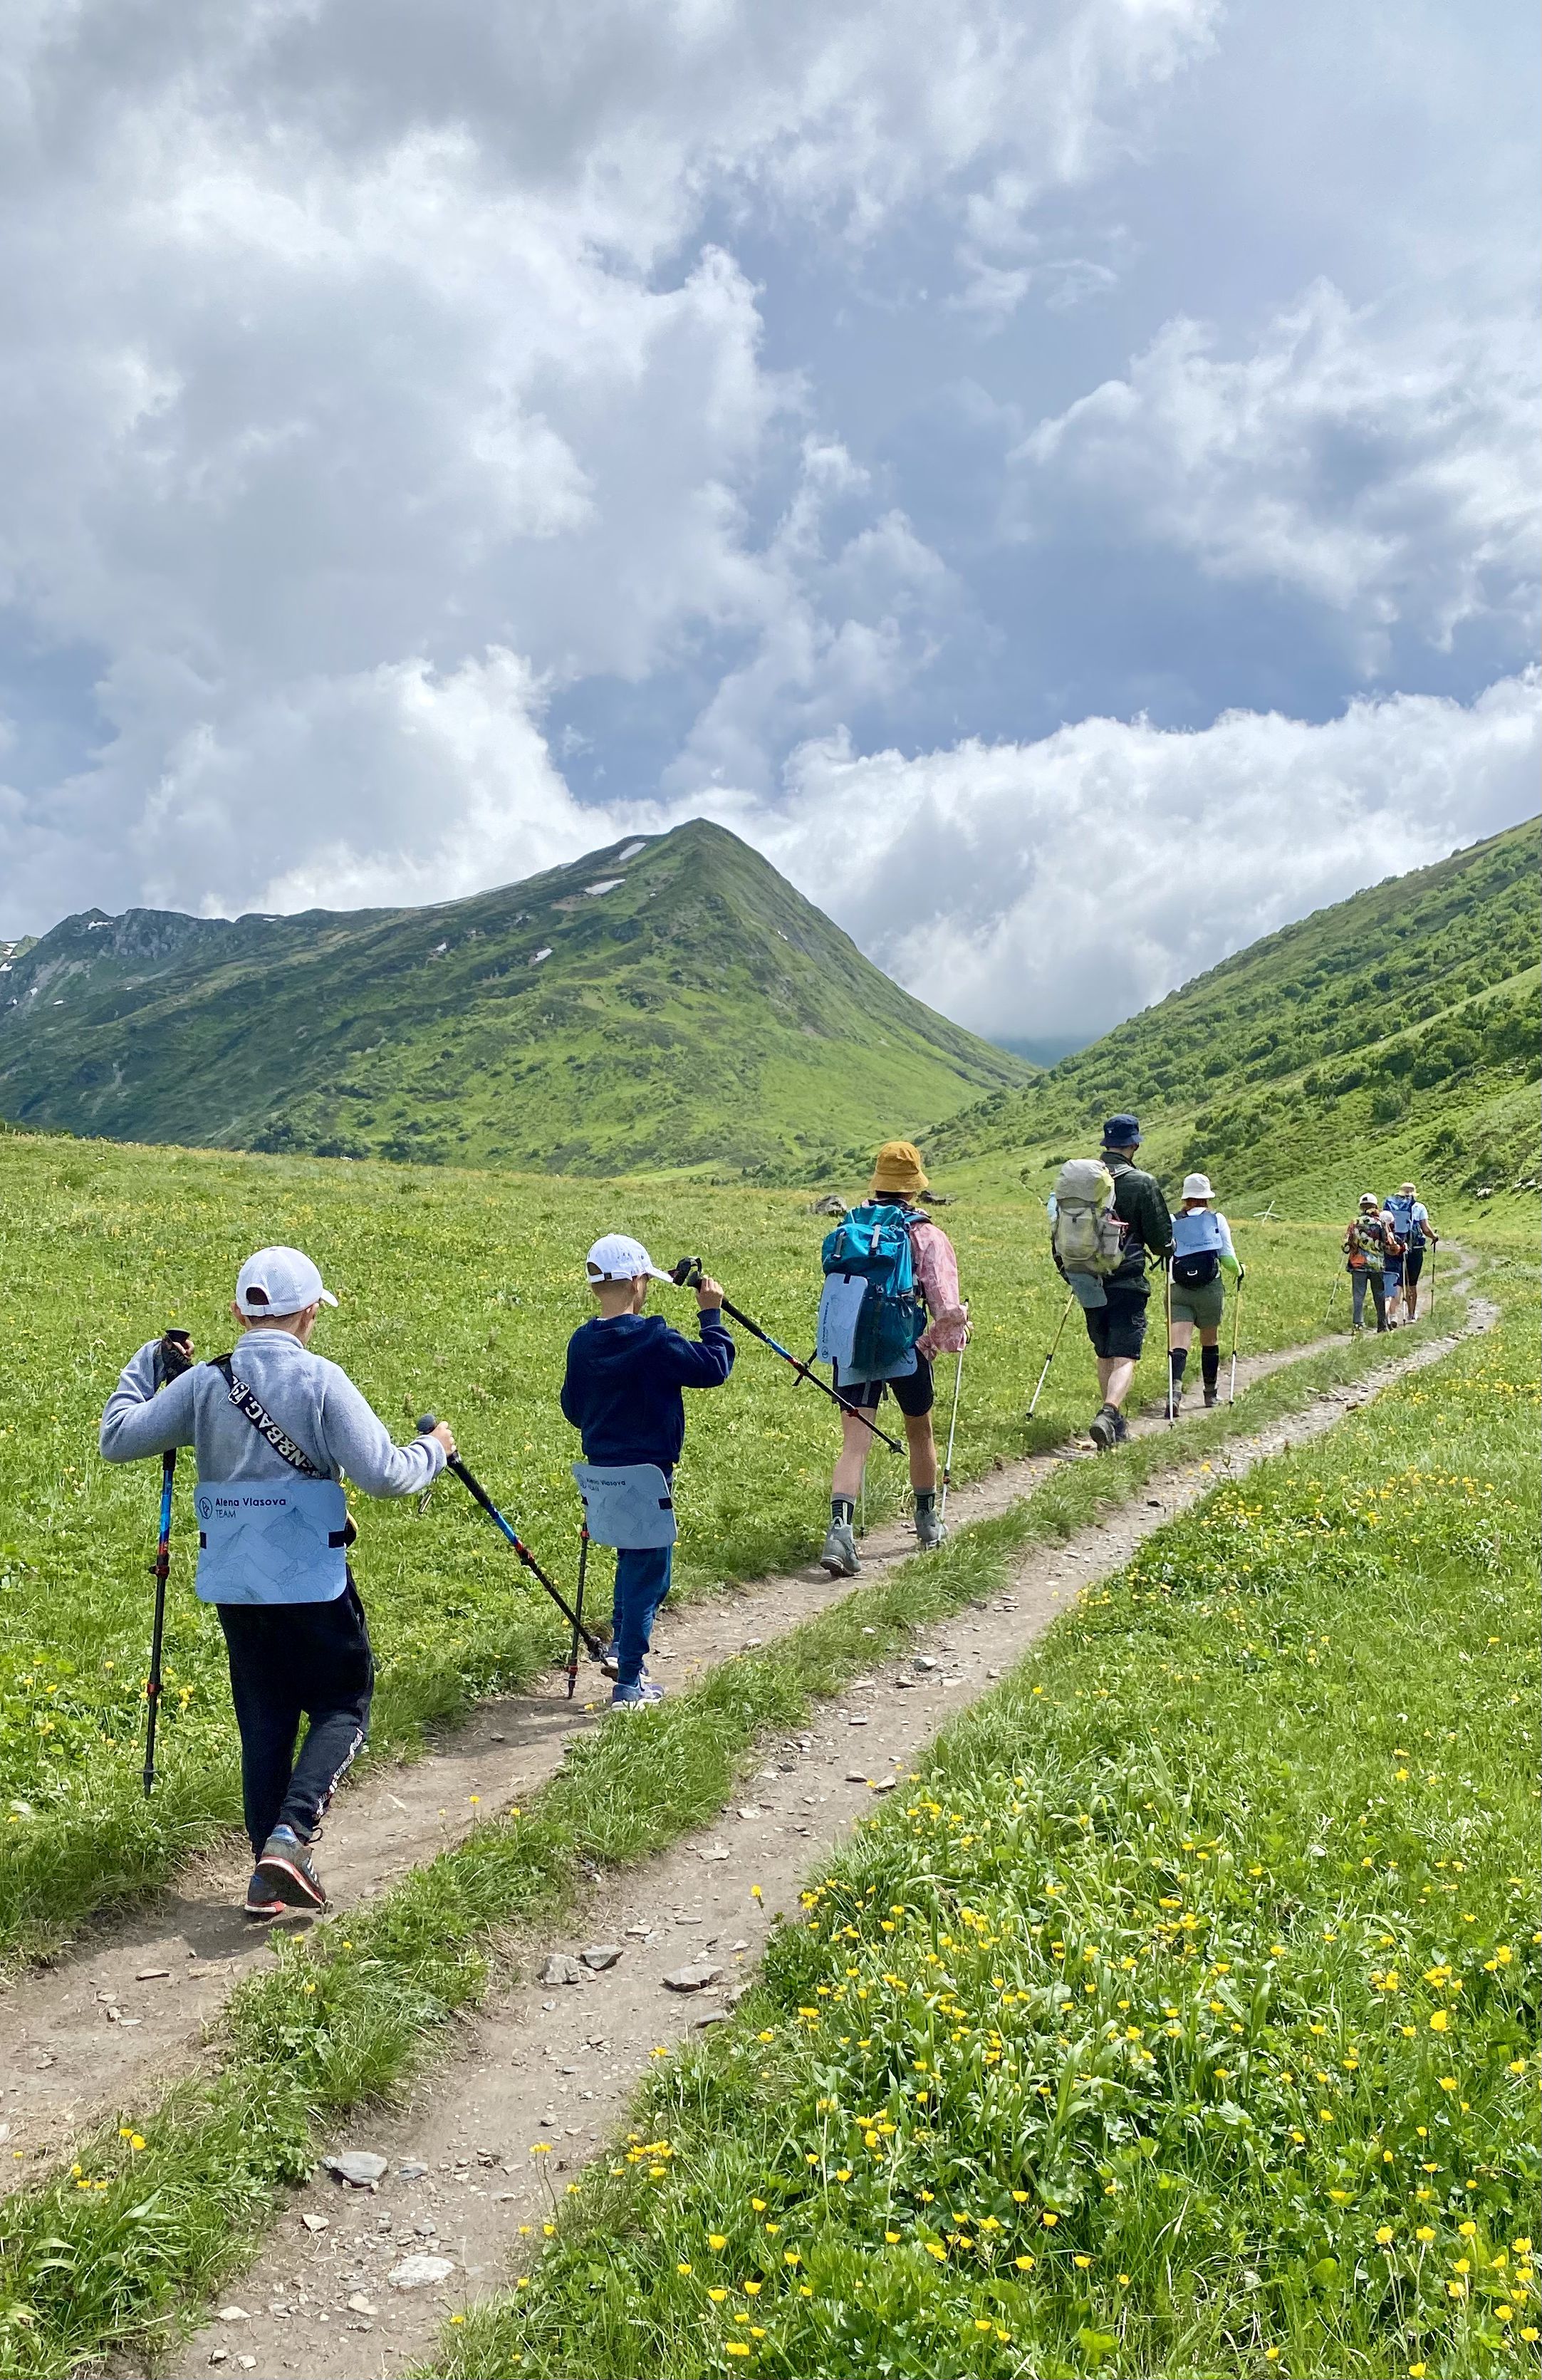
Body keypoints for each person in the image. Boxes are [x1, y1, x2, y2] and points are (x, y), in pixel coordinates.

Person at [99, 1247, 454, 1918]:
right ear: (311, 1310)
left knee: (264, 1718)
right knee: (343, 1704)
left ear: (238, 1312)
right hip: (313, 1581)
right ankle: (291, 1837)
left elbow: (118, 1437)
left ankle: (266, 1871)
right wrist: (436, 1447)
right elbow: (383, 1475)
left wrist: (148, 1361)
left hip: (236, 1582)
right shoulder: (322, 1379)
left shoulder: (206, 1382)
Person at [561, 1232, 734, 1710]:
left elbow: (572, 1408)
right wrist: (711, 1314)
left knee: (636, 1564)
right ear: (638, 1282)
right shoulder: (655, 1339)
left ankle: (621, 1646)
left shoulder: (581, 1342)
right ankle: (629, 1683)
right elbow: (713, 1367)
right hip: (649, 1474)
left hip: (601, 1472)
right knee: (647, 1571)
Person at [818, 1140, 969, 1578]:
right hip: (907, 1350)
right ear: (914, 1186)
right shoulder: (926, 1234)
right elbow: (945, 1306)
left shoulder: (851, 1229)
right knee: (919, 1434)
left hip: (852, 1349)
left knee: (855, 1444)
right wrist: (945, 1338)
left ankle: (840, 1535)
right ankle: (927, 1521)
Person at [1056, 1115, 1174, 1450]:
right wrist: (1170, 1247)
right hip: (1127, 1281)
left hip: (1086, 1278)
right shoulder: (1141, 1183)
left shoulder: (1081, 1182)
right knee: (1125, 1354)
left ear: (1106, 1144)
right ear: (1134, 1144)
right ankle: (1109, 1413)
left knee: (1104, 1350)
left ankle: (1115, 1427)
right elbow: (1160, 1241)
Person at [1167, 1173, 1244, 1411]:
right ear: (1206, 1198)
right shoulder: (1217, 1219)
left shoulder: (1172, 1220)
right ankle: (1210, 1394)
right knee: (1209, 1340)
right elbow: (1227, 1257)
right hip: (1209, 1288)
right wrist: (1240, 1271)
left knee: (1178, 1343)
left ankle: (1174, 1395)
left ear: (1186, 1197)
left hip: (1177, 1287)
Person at [1384, 1181, 1439, 1324]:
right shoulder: (1419, 1207)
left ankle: (1393, 1315)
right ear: (1413, 1194)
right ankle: (1411, 1315)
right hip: (1415, 1249)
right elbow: (1425, 1229)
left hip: (1396, 1248)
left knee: (1397, 1281)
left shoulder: (1391, 1206)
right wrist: (1434, 1237)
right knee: (1412, 1283)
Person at [1343, 1194, 1391, 1333]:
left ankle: (1358, 1325)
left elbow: (1346, 1246)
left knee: (1358, 1295)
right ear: (1375, 1206)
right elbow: (1388, 1242)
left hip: (1358, 1264)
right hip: (1377, 1265)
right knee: (1379, 1294)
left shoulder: (1355, 1222)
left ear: (1361, 1207)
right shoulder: (1381, 1223)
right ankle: (1382, 1325)